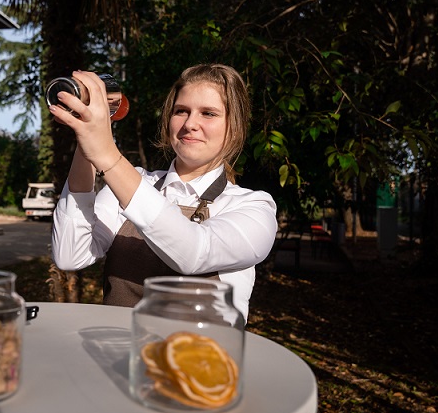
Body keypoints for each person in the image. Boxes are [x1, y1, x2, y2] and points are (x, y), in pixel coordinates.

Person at [50, 64, 277, 319]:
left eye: (208, 113)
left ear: (234, 126)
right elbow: (70, 254)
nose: (190, 123)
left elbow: (193, 253)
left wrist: (106, 155)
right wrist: (86, 142)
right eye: (181, 111)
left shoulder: (253, 207)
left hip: (198, 357)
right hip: (120, 353)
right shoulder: (133, 182)